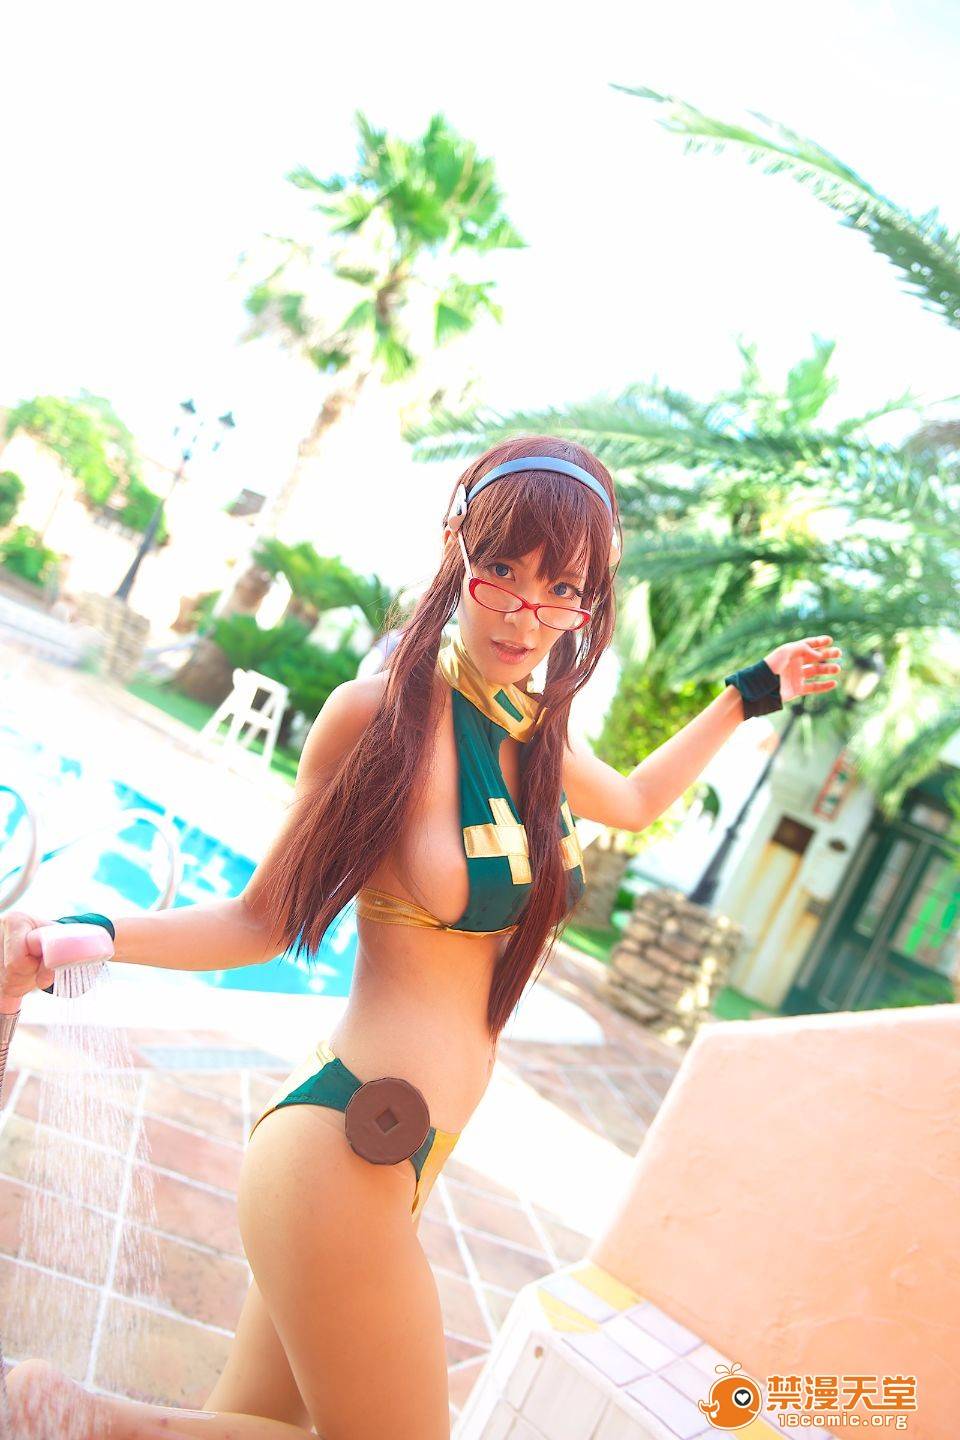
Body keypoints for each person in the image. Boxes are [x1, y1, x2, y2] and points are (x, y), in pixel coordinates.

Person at [0, 435, 843, 1439]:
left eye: (562, 590)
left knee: (253, 1420)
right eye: (505, 572)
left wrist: (748, 694)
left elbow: (632, 801)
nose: (527, 614)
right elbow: (259, 920)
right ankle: (75, 1418)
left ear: (590, 604)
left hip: (407, 1151)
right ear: (459, 553)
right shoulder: (381, 718)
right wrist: (88, 932)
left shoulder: (533, 732)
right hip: (344, 1143)